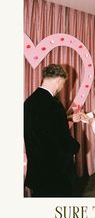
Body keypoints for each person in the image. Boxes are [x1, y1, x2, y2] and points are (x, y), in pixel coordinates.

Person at [24, 64, 80, 197]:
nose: (62, 88)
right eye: (63, 84)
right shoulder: (53, 105)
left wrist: (67, 118)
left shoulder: (29, 102)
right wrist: (76, 147)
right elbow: (63, 140)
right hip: (55, 173)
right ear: (59, 80)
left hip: (37, 171)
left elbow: (42, 128)